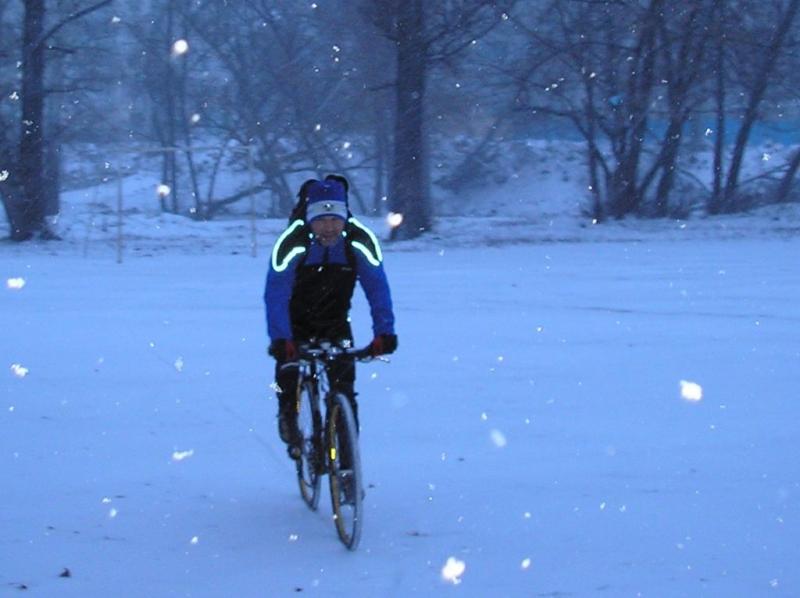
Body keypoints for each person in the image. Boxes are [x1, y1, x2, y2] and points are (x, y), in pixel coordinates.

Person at [264, 176, 397, 460]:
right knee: (287, 373)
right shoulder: (293, 243)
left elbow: (377, 288)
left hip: (335, 321)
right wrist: (281, 338)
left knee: (345, 391)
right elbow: (275, 293)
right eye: (321, 220)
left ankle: (347, 462)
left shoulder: (359, 240)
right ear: (310, 219)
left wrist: (384, 333)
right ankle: (288, 414)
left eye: (335, 219)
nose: (329, 227)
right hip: (294, 322)